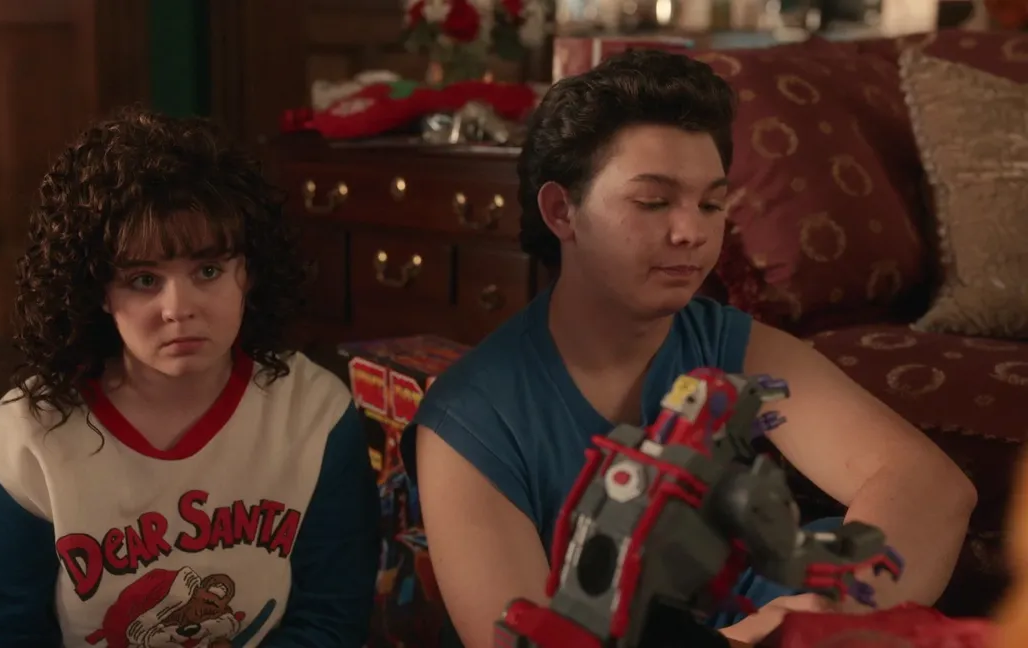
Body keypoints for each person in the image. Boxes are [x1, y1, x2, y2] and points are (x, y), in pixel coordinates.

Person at [401, 49, 977, 648]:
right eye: (654, 202)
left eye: (711, 203)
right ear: (561, 211)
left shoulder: (728, 343)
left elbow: (930, 489)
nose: (693, 232)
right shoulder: (467, 421)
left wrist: (824, 615)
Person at [0, 108, 378, 648]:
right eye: (144, 280)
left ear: (248, 272)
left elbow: (332, 619)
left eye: (208, 271)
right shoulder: (27, 439)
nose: (179, 308)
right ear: (100, 291)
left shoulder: (315, 415)